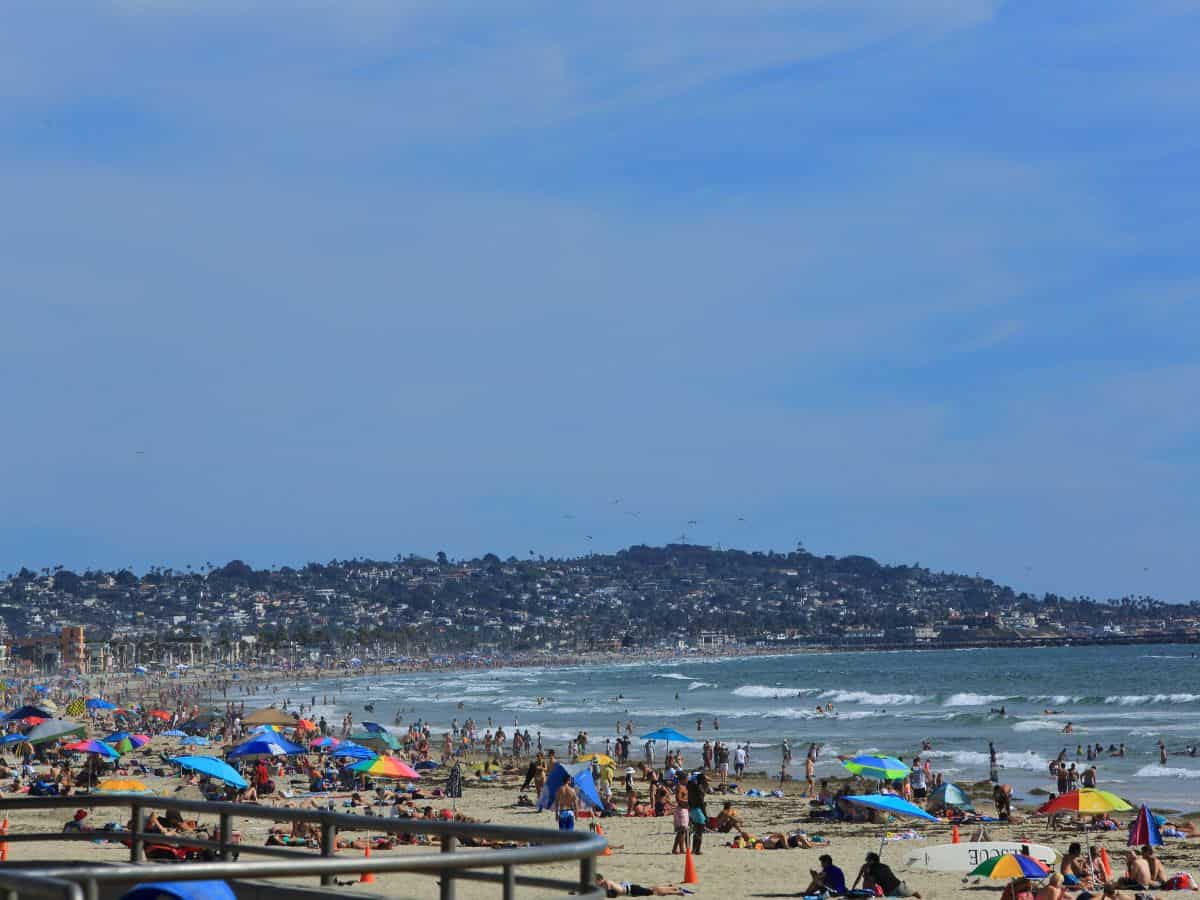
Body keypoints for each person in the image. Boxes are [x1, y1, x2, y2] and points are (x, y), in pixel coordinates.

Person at [854, 852, 921, 898]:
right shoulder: (885, 866)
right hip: (898, 885)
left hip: (890, 891)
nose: (867, 862)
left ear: (873, 861)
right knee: (913, 893)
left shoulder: (871, 870)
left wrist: (867, 875)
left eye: (868, 861)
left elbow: (872, 882)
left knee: (911, 893)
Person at [594, 875, 691, 897]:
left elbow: (612, 895)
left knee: (655, 892)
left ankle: (677, 892)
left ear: (599, 880)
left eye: (595, 882)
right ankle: (672, 887)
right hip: (631, 890)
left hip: (631, 890)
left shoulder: (606, 882)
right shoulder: (606, 883)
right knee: (652, 889)